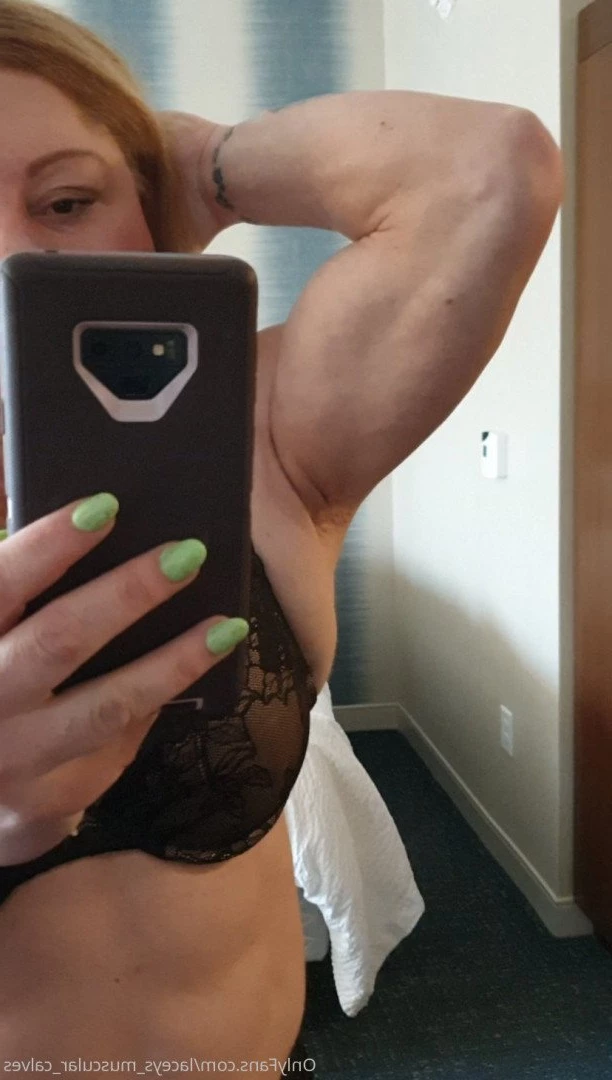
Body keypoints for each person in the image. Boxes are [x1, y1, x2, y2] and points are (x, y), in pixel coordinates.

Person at [0, 0, 563, 1074]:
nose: (14, 258)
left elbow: (494, 168)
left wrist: (201, 164)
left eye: (69, 201)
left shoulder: (257, 434)